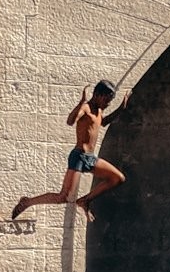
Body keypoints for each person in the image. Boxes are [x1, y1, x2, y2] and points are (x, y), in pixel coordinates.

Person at [11, 79, 126, 222]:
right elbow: (70, 121)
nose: (108, 104)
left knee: (117, 178)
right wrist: (80, 103)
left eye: (110, 101)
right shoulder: (85, 108)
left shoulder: (99, 110)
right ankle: (27, 202)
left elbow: (103, 122)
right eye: (106, 100)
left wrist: (121, 108)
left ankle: (85, 200)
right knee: (64, 197)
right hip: (79, 157)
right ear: (97, 95)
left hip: (90, 158)